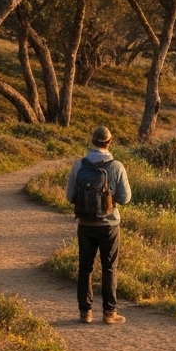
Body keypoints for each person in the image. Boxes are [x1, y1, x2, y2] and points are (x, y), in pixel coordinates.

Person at [66, 125, 132, 324]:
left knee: (85, 268)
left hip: (85, 224)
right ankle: (109, 313)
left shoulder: (79, 165)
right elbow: (126, 198)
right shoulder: (117, 166)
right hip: (109, 226)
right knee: (109, 268)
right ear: (109, 142)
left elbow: (70, 196)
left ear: (93, 141)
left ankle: (85, 312)